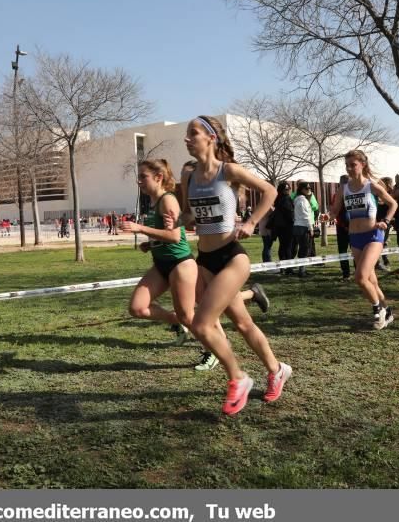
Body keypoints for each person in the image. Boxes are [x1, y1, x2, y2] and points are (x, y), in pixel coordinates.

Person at [181, 115, 291, 415]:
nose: (187, 139)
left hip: (232, 256)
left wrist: (253, 222)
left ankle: (238, 378)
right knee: (242, 323)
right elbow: (190, 215)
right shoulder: (188, 176)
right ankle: (277, 369)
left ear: (211, 137)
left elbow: (271, 191)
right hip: (205, 260)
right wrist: (183, 219)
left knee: (201, 323)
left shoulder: (227, 171)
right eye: (186, 134)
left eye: (193, 133)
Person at [120, 159, 198, 349]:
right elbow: (165, 234)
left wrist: (140, 228)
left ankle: (212, 349)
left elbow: (175, 237)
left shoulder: (168, 199)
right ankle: (176, 322)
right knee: (137, 307)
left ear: (158, 177)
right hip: (161, 264)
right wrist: (152, 244)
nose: (139, 181)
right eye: (138, 177)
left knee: (188, 315)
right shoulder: (154, 201)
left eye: (143, 177)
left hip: (180, 264)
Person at [322, 150, 398, 329]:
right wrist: (328, 216)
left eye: (353, 165)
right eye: (347, 165)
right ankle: (387, 311)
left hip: (373, 236)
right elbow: (335, 211)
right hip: (354, 238)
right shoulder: (344, 188)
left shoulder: (371, 186)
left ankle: (377, 311)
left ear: (362, 165)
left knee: (360, 278)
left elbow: (393, 203)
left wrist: (385, 221)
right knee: (371, 282)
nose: (349, 168)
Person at [270, 181, 295, 273]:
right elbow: (290, 213)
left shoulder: (278, 199)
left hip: (279, 227)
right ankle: (288, 268)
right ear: (281, 190)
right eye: (286, 189)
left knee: (283, 246)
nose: (288, 191)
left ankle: (282, 268)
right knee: (288, 247)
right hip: (287, 226)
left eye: (289, 189)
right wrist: (294, 221)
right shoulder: (286, 199)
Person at [331, 175, 351, 280]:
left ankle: (346, 274)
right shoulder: (354, 194)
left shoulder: (336, 195)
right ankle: (356, 272)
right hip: (350, 225)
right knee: (355, 249)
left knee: (343, 251)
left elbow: (335, 211)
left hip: (343, 226)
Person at [292, 181, 314, 277]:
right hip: (303, 227)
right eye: (307, 188)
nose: (309, 190)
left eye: (310, 188)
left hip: (297, 226)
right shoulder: (303, 201)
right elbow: (306, 215)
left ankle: (302, 269)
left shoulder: (297, 199)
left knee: (302, 248)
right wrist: (310, 227)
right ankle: (302, 271)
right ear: (302, 190)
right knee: (304, 249)